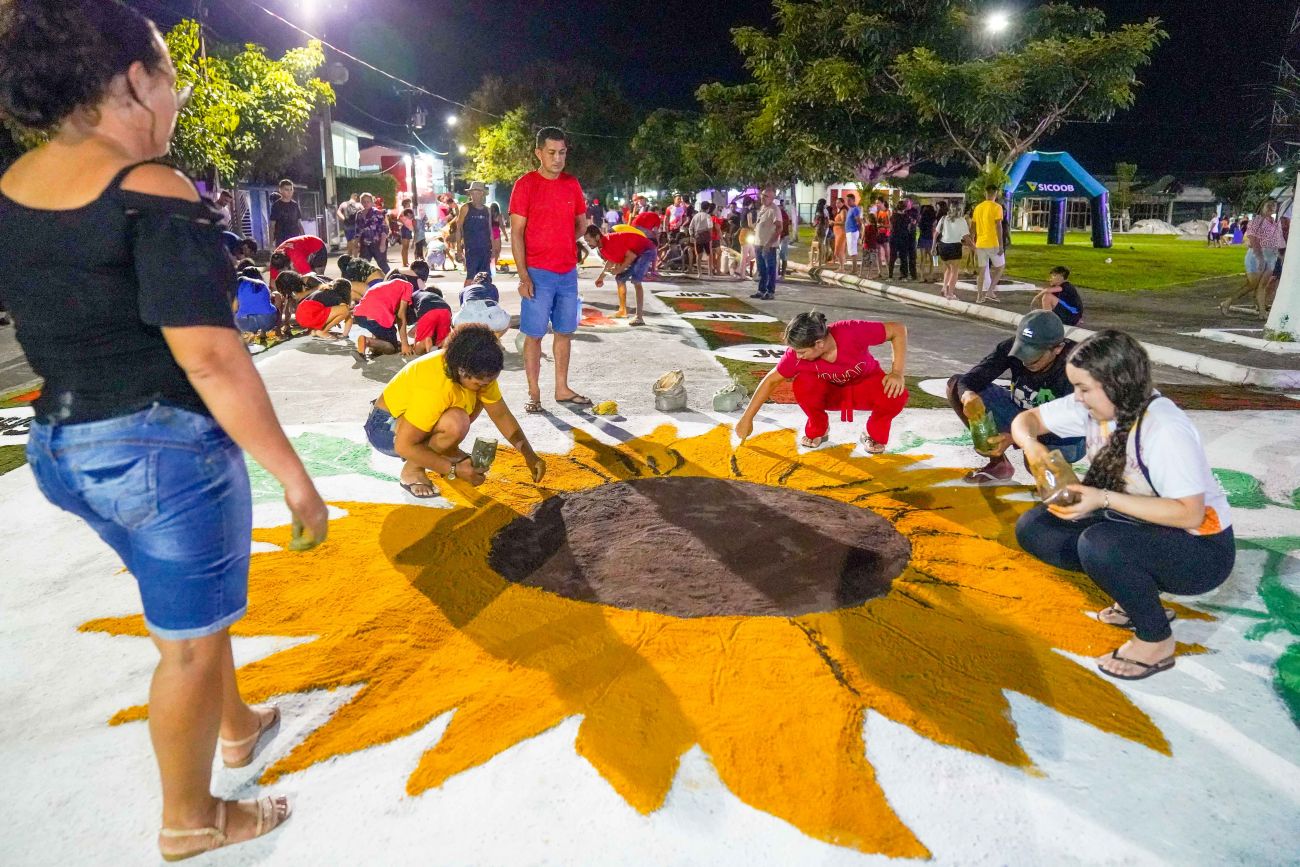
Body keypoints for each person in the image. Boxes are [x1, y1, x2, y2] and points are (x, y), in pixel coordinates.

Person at [0, 1, 327, 858]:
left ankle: (237, 723)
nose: (177, 98)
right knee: (185, 649)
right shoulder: (149, 190)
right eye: (172, 78)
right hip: (158, 451)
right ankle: (192, 817)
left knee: (188, 615)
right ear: (136, 81)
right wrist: (293, 475)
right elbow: (212, 358)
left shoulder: (16, 185)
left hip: (61, 449)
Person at [1012, 330, 1235, 681]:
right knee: (1037, 528)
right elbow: (1026, 421)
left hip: (1201, 550)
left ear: (1116, 384)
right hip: (1138, 524)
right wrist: (1032, 446)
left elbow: (1190, 513)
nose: (1077, 397)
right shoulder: (1092, 405)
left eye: (1083, 388)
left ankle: (1155, 640)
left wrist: (1102, 498)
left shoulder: (1164, 428)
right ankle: (1135, 595)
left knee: (1100, 545)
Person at [363, 323, 546, 498]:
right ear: (461, 371)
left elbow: (501, 415)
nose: (486, 385)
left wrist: (529, 455)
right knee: (455, 422)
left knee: (478, 401)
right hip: (385, 429)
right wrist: (453, 470)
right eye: (479, 383)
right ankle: (412, 470)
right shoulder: (435, 384)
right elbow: (403, 446)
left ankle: (443, 450)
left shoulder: (477, 370)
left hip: (410, 422)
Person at [735, 312, 909, 453]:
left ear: (818, 343)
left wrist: (897, 372)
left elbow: (898, 330)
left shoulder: (851, 331)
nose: (798, 356)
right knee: (803, 382)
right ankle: (819, 427)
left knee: (896, 393)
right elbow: (771, 381)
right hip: (831, 393)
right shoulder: (795, 355)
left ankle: (873, 433)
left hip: (865, 386)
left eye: (802, 352)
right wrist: (746, 419)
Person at [508, 126, 592, 414]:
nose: (558, 159)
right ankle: (534, 392)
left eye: (562, 153)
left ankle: (562, 388)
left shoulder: (571, 184)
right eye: (552, 152)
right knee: (534, 334)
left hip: (567, 272)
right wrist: (523, 276)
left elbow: (582, 224)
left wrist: (564, 240)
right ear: (539, 153)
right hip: (537, 273)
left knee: (564, 331)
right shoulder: (525, 185)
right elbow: (516, 233)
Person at [946, 309, 1084, 484]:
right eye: (1022, 353)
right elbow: (969, 380)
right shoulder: (1012, 347)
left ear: (1058, 348)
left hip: (1063, 434)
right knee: (955, 386)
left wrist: (1017, 436)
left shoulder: (1078, 365)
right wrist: (968, 395)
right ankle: (999, 465)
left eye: (1034, 357)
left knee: (1034, 462)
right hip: (1023, 412)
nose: (1026, 362)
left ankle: (1065, 481)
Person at [1219, 199, 1282, 318]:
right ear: (1261, 207)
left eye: (1273, 205)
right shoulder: (1257, 221)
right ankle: (1227, 303)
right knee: (1252, 284)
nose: (1271, 207)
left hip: (1270, 258)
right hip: (1256, 257)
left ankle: (1262, 313)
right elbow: (1250, 240)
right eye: (1268, 205)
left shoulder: (1274, 223)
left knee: (1262, 286)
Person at [585, 224, 653, 325]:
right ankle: (622, 311)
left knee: (636, 281)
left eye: (589, 240)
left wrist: (619, 269)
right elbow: (611, 261)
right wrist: (601, 278)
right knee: (620, 278)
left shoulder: (609, 242)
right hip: (637, 252)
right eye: (586, 241)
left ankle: (639, 317)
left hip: (646, 250)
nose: (588, 244)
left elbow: (631, 256)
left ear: (597, 237)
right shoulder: (602, 246)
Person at [352, 269, 413, 358]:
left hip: (359, 316)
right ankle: (367, 341)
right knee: (391, 348)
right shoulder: (407, 285)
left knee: (384, 334)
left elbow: (373, 307)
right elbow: (400, 316)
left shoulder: (379, 286)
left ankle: (367, 348)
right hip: (375, 317)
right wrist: (405, 344)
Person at [451, 181, 494, 281]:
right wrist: (459, 249)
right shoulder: (466, 208)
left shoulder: (487, 210)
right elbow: (459, 228)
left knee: (485, 277)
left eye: (478, 192)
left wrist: (494, 249)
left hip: (485, 248)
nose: (475, 195)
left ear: (482, 194)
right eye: (473, 193)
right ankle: (467, 291)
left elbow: (490, 230)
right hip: (471, 249)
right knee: (471, 277)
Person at [972, 185, 1005, 303]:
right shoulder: (997, 207)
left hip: (980, 243)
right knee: (1000, 267)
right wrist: (1001, 244)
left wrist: (972, 242)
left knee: (981, 270)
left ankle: (979, 296)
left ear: (985, 193)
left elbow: (973, 226)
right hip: (992, 243)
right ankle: (990, 291)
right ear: (996, 193)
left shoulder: (978, 208)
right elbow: (998, 226)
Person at [934, 201, 971, 299]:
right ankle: (950, 294)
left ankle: (944, 288)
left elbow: (936, 234)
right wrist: (974, 247)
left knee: (948, 268)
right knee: (954, 271)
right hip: (954, 246)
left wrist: (933, 247)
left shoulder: (943, 218)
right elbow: (966, 238)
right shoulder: (961, 220)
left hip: (943, 246)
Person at [750, 187, 781, 300]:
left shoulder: (774, 210)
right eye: (762, 195)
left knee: (770, 269)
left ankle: (770, 291)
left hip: (768, 245)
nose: (762, 198)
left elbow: (779, 228)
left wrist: (769, 243)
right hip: (759, 243)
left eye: (766, 196)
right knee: (761, 269)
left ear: (772, 198)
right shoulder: (763, 208)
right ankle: (761, 290)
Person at [410, 284, 452, 353]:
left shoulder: (415, 294)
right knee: (442, 341)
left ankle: (425, 342)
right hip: (446, 310)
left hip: (427, 310)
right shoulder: (438, 298)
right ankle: (442, 343)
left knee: (417, 350)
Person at [355, 192, 389, 270]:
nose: (366, 203)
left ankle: (391, 277)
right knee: (363, 266)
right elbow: (358, 230)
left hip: (377, 243)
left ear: (372, 202)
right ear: (361, 202)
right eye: (364, 202)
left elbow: (384, 229)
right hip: (364, 244)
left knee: (382, 264)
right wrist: (356, 242)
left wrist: (383, 243)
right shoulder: (359, 214)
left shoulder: (377, 212)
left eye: (368, 201)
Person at [268, 178, 303, 250]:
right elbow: (272, 226)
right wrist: (271, 244)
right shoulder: (276, 206)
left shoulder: (295, 205)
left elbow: (299, 224)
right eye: (286, 189)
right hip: (282, 241)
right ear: (280, 190)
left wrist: (304, 239)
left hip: (295, 240)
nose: (289, 192)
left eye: (291, 189)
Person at [888, 199, 918, 281]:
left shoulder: (893, 216)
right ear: (904, 208)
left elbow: (891, 227)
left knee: (892, 257)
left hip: (894, 237)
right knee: (903, 257)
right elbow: (910, 226)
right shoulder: (906, 217)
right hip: (904, 238)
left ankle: (890, 276)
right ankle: (904, 276)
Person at [689, 201, 714, 277]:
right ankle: (710, 272)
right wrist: (710, 234)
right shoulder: (708, 216)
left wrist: (692, 235)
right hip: (706, 236)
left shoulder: (695, 216)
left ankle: (699, 273)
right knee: (709, 254)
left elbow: (691, 227)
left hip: (697, 237)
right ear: (708, 208)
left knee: (698, 255)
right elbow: (710, 226)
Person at [337, 192, 363, 256]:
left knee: (349, 241)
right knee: (356, 242)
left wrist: (343, 219)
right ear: (356, 197)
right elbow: (364, 212)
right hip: (356, 225)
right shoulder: (359, 204)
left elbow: (338, 212)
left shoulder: (343, 204)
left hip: (347, 225)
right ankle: (355, 258)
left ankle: (349, 256)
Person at [917, 202, 937, 281]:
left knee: (923, 259)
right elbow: (934, 231)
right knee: (933, 258)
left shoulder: (921, 220)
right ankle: (931, 275)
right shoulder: (933, 221)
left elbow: (919, 228)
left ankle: (921, 277)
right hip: (930, 239)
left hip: (922, 238)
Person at [843, 193, 863, 274]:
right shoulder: (850, 209)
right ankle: (854, 269)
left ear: (854, 200)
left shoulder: (855, 209)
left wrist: (859, 232)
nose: (847, 202)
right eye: (847, 200)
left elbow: (859, 222)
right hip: (849, 232)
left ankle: (854, 269)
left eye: (849, 200)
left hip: (852, 232)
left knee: (853, 251)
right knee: (851, 251)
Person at [489, 201, 508, 272]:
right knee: (495, 251)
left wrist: (505, 235)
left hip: (493, 234)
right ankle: (492, 265)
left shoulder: (496, 215)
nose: (493, 210)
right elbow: (502, 226)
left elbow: (502, 226)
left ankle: (492, 265)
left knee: (495, 250)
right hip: (493, 234)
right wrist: (506, 236)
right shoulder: (493, 215)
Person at [832, 198, 847, 268]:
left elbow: (844, 222)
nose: (837, 204)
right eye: (836, 203)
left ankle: (842, 267)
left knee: (838, 250)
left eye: (838, 203)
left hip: (841, 233)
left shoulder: (843, 211)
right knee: (839, 250)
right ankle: (841, 267)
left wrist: (833, 222)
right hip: (837, 233)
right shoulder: (840, 211)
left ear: (843, 203)